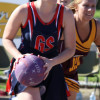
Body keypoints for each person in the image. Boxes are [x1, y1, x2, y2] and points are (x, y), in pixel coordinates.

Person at [2, 0, 76, 100]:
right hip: (27, 66)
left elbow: (70, 49)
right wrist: (19, 57)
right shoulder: (24, 10)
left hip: (51, 65)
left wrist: (52, 62)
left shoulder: (66, 13)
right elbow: (7, 39)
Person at [58, 0, 100, 100]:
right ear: (76, 6)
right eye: (86, 5)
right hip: (53, 70)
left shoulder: (96, 27)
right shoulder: (65, 22)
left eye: (93, 6)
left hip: (71, 73)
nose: (90, 9)